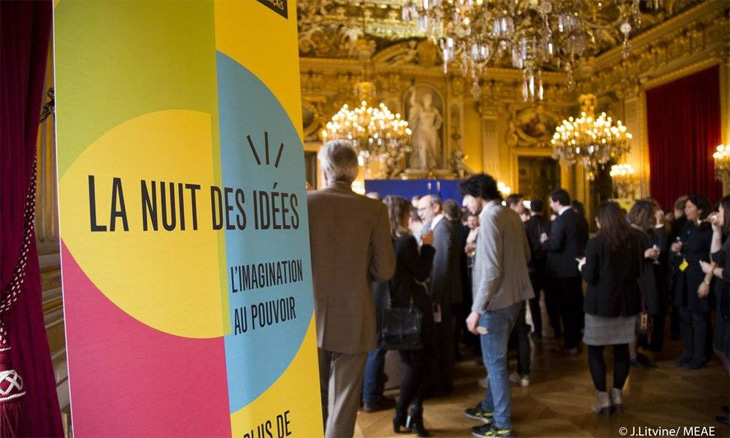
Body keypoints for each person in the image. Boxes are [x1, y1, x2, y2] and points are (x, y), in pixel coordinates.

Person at [307, 140, 396, 438]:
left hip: (310, 317)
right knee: (344, 403)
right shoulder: (374, 209)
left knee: (314, 398)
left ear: (324, 170)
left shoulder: (304, 203)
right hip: (355, 316)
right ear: (355, 171)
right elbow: (384, 271)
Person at [460, 174, 534, 438]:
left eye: (467, 197)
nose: (465, 203)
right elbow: (525, 254)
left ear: (479, 195)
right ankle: (490, 408)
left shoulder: (490, 217)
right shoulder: (510, 214)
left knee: (495, 363)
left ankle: (501, 425)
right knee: (497, 360)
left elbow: (491, 271)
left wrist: (476, 310)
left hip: (495, 303)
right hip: (515, 298)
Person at [579, 202, 643, 414]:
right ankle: (617, 395)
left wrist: (582, 266)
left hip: (601, 305)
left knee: (595, 351)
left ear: (601, 220)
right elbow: (638, 271)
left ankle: (603, 399)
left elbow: (590, 276)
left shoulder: (596, 243)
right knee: (622, 350)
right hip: (626, 303)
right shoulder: (634, 240)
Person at [384, 196, 436, 437]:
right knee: (421, 362)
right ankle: (405, 412)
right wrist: (427, 246)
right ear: (402, 214)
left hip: (395, 309)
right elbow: (422, 273)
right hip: (414, 309)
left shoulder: (384, 241)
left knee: (412, 363)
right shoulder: (405, 241)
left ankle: (414, 414)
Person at [417, 194, 462, 395]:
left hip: (442, 296)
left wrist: (434, 295)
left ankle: (443, 383)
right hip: (441, 294)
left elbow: (441, 266)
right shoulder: (437, 226)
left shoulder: (442, 228)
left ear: (435, 207)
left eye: (423, 209)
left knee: (443, 340)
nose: (420, 213)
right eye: (418, 210)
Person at [541, 189, 589, 354]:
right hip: (576, 268)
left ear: (557, 202)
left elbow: (555, 245)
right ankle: (577, 339)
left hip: (561, 272)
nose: (550, 205)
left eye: (551, 202)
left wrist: (544, 242)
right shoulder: (581, 219)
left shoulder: (560, 221)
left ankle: (570, 344)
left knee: (566, 309)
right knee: (576, 306)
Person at [671, 195, 713, 369]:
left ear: (700, 210)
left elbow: (714, 258)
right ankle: (687, 353)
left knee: (699, 318)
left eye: (689, 207)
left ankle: (700, 355)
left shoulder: (709, 229)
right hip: (684, 277)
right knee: (684, 316)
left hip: (699, 277)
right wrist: (676, 248)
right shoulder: (687, 227)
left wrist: (707, 281)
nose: (686, 210)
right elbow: (681, 244)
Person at [699, 195, 730, 426]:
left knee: (725, 350)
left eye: (720, 211)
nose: (716, 214)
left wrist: (711, 271)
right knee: (721, 349)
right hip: (726, 302)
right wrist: (716, 231)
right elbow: (717, 257)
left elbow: (725, 271)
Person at [627, 200, 663, 368]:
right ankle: (632, 355)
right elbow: (624, 260)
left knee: (642, 319)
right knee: (635, 319)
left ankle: (637, 351)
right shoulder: (631, 233)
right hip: (637, 283)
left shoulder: (645, 233)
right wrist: (644, 254)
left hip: (646, 280)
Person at [505, 194, 531, 386]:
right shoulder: (519, 224)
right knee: (521, 330)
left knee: (502, 332)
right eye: (521, 203)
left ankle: (502, 374)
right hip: (520, 284)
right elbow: (527, 255)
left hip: (503, 288)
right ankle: (524, 373)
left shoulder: (498, 222)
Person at [443, 199, 470, 362]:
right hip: (464, 278)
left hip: (451, 281)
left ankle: (452, 350)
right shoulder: (464, 230)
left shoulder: (445, 229)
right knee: (460, 316)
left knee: (451, 318)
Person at [524, 199, 554, 340]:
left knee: (533, 301)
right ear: (543, 209)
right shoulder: (550, 224)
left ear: (530, 209)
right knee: (551, 299)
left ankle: (538, 330)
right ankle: (555, 327)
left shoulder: (526, 225)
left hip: (532, 267)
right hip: (549, 266)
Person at [669, 196, 689, 340]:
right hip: (687, 267)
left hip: (678, 266)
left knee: (678, 302)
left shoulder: (675, 225)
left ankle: (676, 332)